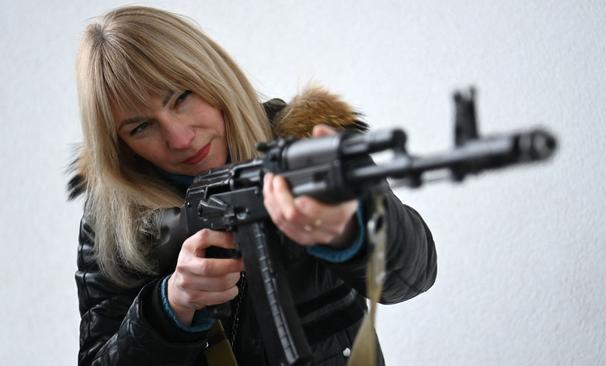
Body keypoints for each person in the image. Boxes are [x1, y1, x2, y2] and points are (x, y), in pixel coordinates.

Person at [69, 5, 437, 366]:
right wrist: (169, 308)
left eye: (182, 97)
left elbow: (413, 276)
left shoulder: (305, 143)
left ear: (212, 75)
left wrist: (352, 230)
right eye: (140, 127)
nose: (180, 138)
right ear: (119, 144)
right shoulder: (112, 217)